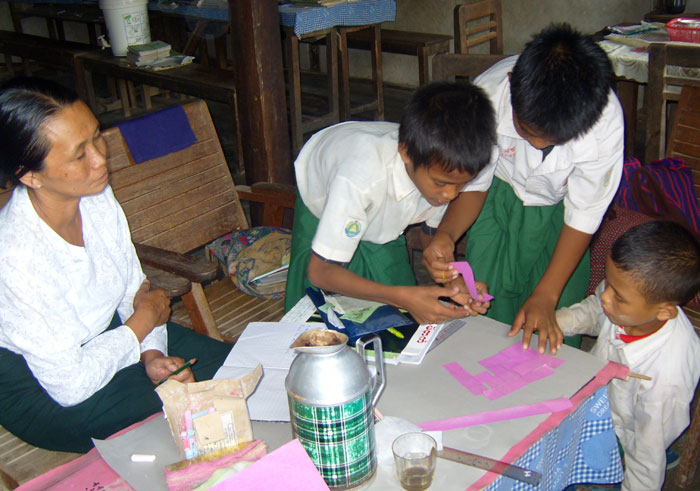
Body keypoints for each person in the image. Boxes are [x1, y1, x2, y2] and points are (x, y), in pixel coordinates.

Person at [0, 77, 232, 453]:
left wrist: (152, 355)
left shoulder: (94, 195)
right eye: (79, 155)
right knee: (190, 406)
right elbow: (71, 385)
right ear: (30, 175)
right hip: (44, 384)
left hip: (114, 334)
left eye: (97, 137)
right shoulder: (15, 256)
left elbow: (135, 291)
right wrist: (141, 325)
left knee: (232, 369)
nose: (99, 159)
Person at [422, 23, 624, 352]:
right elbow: (476, 182)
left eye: (555, 140)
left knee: (554, 312)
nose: (537, 145)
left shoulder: (605, 121)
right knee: (484, 299)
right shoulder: (486, 97)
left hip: (562, 215)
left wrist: (547, 294)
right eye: (526, 130)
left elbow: (585, 212)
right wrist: (446, 234)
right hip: (496, 198)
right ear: (512, 82)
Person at [284, 81, 497, 324]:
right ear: (406, 154)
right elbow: (320, 272)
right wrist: (401, 298)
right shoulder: (358, 178)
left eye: (462, 185)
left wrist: (454, 283)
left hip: (383, 206)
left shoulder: (444, 168)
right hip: (325, 201)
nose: (451, 195)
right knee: (324, 315)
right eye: (441, 183)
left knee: (396, 309)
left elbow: (432, 239)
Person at [537, 221, 700, 491]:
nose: (606, 297)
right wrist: (556, 321)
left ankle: (612, 471)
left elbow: (647, 457)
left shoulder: (666, 379)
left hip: (627, 433)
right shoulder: (628, 297)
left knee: (634, 452)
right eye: (608, 284)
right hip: (604, 400)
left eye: (618, 297)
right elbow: (595, 310)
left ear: (664, 311)